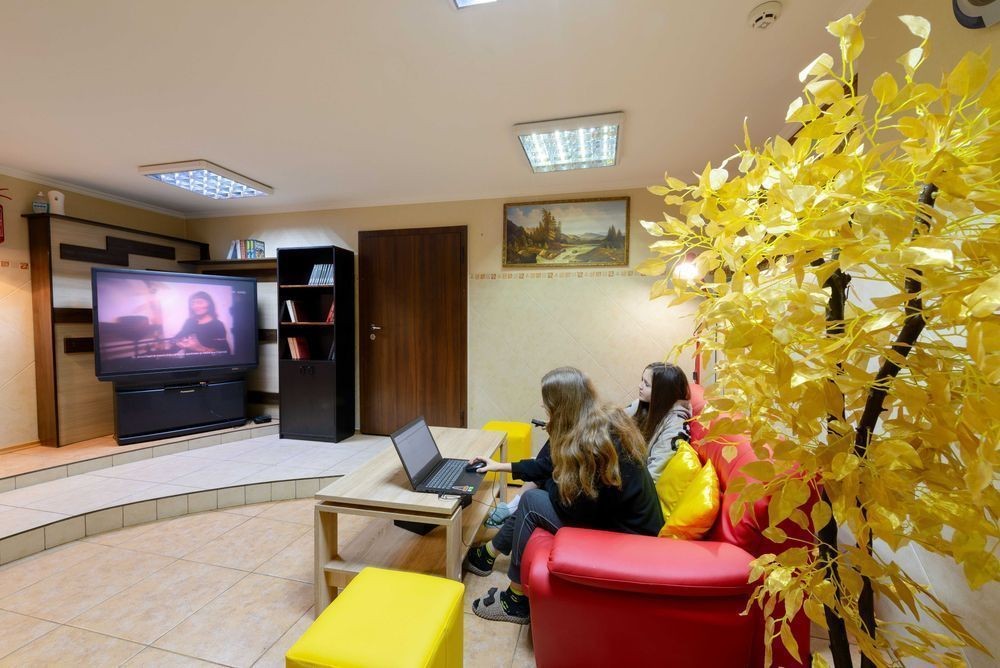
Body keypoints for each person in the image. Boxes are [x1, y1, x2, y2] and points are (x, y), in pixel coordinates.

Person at [463, 367, 663, 624]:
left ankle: (515, 602)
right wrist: (499, 466)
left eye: (547, 403)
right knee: (539, 492)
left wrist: (550, 482)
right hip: (618, 522)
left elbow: (576, 507)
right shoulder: (596, 422)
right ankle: (488, 555)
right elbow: (549, 466)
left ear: (562, 406)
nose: (542, 406)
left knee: (531, 501)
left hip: (629, 539)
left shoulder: (595, 444)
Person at [628, 362, 693, 483]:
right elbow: (614, 424)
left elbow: (654, 475)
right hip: (630, 469)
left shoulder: (675, 426)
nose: (640, 386)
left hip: (641, 484)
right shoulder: (646, 404)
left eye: (646, 384)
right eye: (642, 380)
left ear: (662, 393)